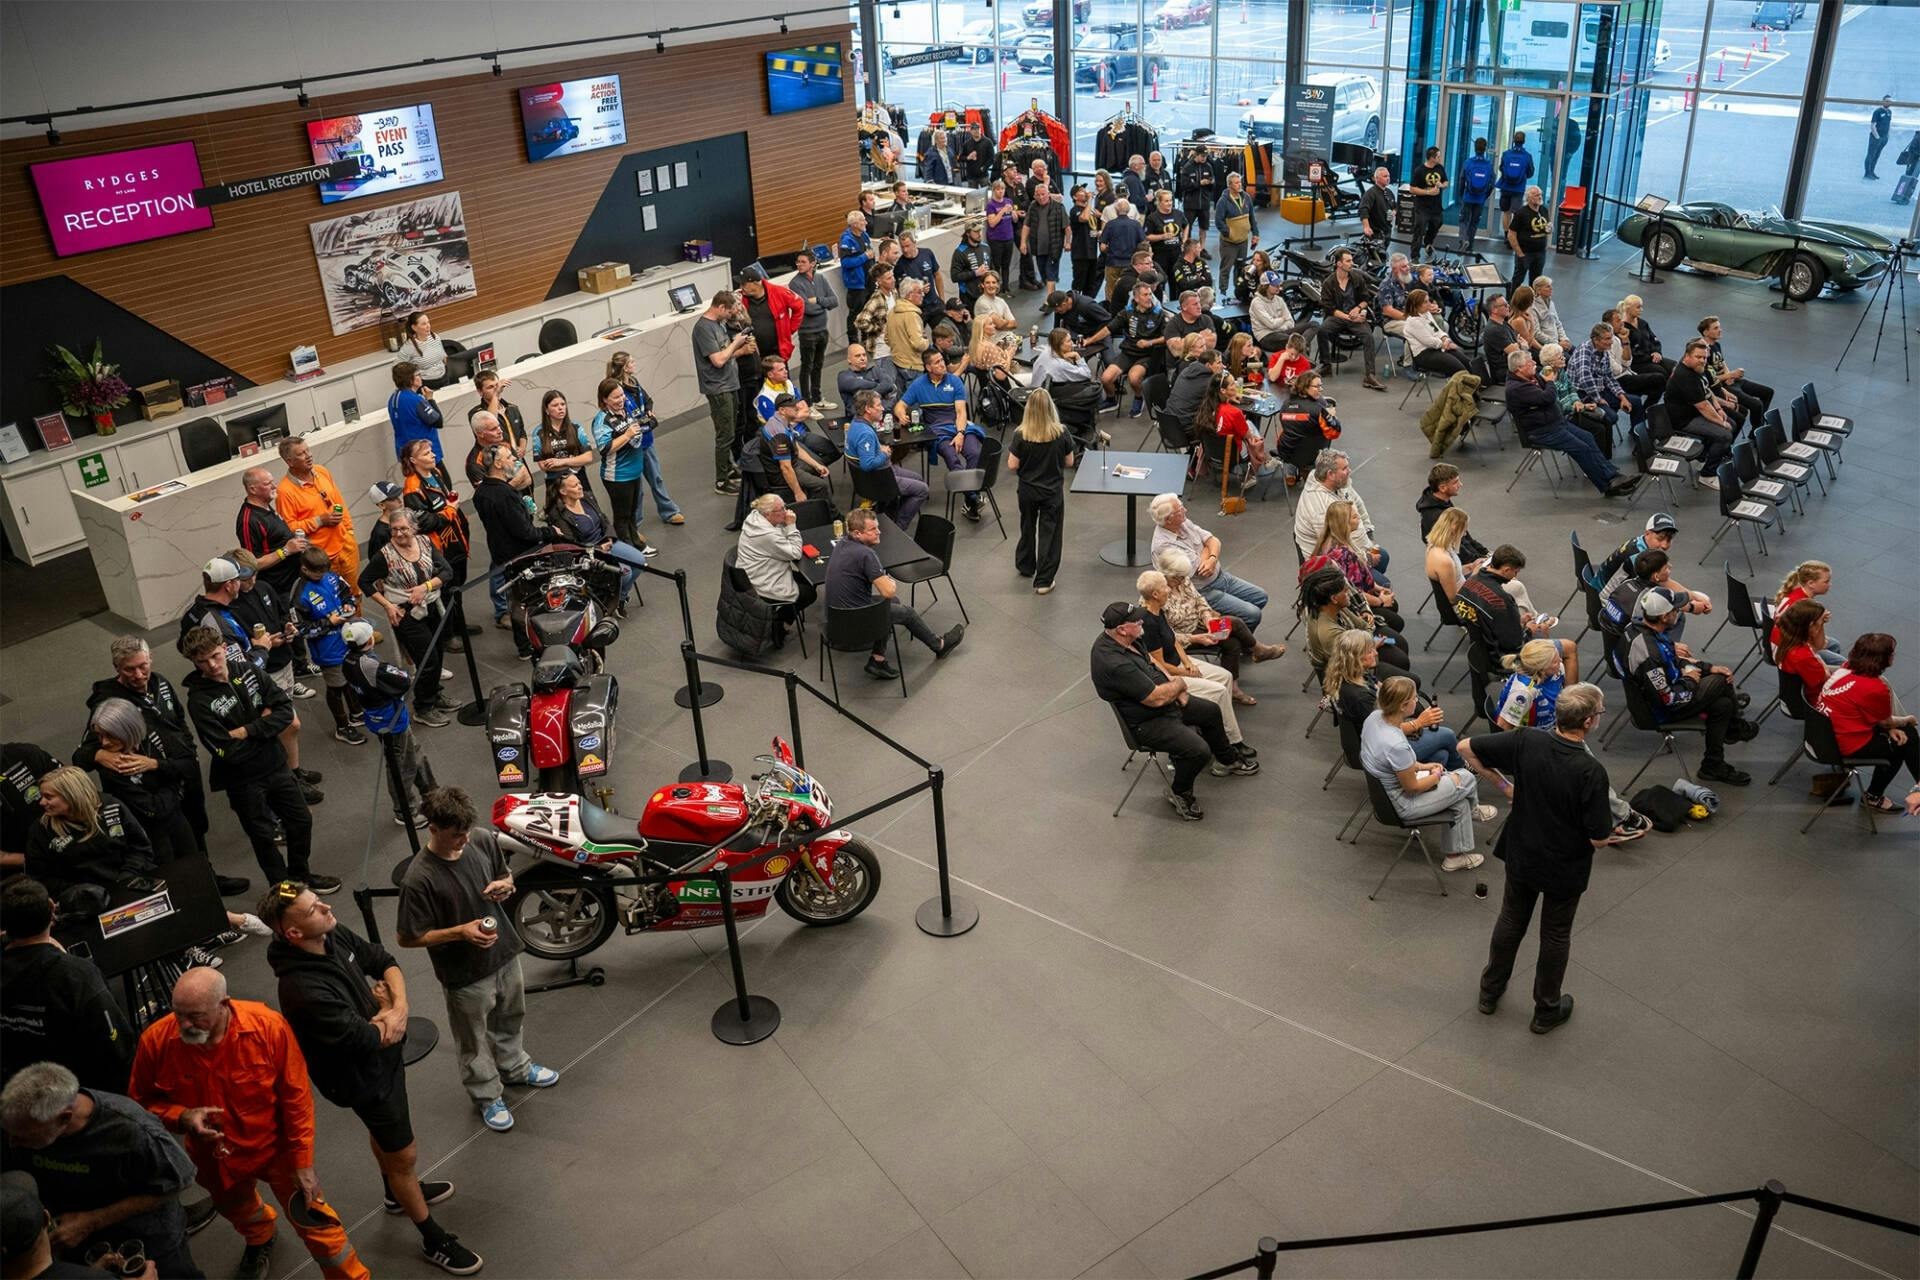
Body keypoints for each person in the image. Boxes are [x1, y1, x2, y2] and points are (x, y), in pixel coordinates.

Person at [257, 885, 481, 1275]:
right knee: (404, 1154)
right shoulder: (303, 990)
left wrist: (397, 1007)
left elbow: (384, 960)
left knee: (395, 1153)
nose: (326, 907)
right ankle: (433, 1239)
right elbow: (366, 1039)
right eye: (313, 909)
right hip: (362, 1079)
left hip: (380, 1059)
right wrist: (388, 1016)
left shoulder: (329, 932)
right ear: (292, 932)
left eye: (318, 900)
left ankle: (396, 1192)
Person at [130, 968, 368, 1280]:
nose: (184, 1025)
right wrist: (181, 1117)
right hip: (212, 1154)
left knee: (317, 1223)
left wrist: (303, 1163)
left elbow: (296, 1100)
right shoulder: (157, 1041)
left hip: (275, 1148)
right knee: (235, 1208)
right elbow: (139, 1103)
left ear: (224, 1004)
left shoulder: (268, 1028)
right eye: (178, 1014)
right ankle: (260, 1236)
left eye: (196, 1016)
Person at [397, 787, 559, 1134]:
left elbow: (505, 875)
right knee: (473, 1038)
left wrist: (506, 885)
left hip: (504, 954)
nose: (464, 840)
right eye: (456, 835)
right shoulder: (419, 879)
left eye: (466, 832)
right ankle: (487, 1095)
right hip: (464, 973)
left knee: (511, 1015)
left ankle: (515, 1067)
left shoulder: (481, 839)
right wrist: (460, 932)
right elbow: (408, 937)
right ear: (434, 829)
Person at [1461, 681, 1612, 1034]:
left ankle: (1489, 993)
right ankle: (1546, 1010)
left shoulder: (1528, 740)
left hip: (1523, 850)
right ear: (1588, 722)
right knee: (1556, 935)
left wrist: (1505, 787)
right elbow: (1600, 838)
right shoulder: (1590, 771)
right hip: (1564, 864)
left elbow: (1466, 747)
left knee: (1511, 920)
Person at [0, 1063, 200, 1278]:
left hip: (146, 1241)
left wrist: (91, 1221)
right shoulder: (24, 1122)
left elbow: (179, 1180)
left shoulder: (133, 1129)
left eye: (22, 1137)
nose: (12, 1143)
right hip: (81, 1242)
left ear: (64, 1118)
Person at [181, 625, 338, 897]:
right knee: (263, 837)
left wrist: (247, 731)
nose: (212, 665)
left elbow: (284, 710)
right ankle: (284, 892)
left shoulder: (249, 671)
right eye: (202, 662)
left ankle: (301, 875)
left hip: (277, 765)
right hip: (243, 781)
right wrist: (265, 724)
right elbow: (227, 750)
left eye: (216, 656)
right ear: (194, 663)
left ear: (223, 649)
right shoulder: (198, 701)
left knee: (301, 820)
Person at [1090, 602, 1249, 822]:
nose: (1141, 621)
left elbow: (1152, 660)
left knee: (1210, 711)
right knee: (1199, 751)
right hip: (1146, 721)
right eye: (1136, 621)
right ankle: (1179, 792)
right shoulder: (1114, 662)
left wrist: (1172, 680)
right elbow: (1155, 699)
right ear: (1122, 629)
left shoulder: (1131, 639)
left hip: (1165, 701)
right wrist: (1180, 686)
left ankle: (1226, 760)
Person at [79, 636, 224, 877]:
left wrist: (189, 748)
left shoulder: (160, 683)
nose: (138, 674)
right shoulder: (109, 703)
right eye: (129, 669)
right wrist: (99, 754)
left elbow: (178, 719)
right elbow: (82, 753)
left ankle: (208, 876)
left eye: (142, 665)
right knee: (166, 847)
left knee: (196, 826)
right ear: (117, 668)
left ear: (150, 659)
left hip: (182, 768)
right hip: (155, 787)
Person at [0, 879, 135, 1092]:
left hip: (18, 1089)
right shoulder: (77, 976)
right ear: (52, 908)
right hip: (81, 1091)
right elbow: (117, 1046)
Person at [1624, 588, 1756, 785]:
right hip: (1657, 710)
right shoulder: (1650, 654)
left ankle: (1713, 764)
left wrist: (1707, 667)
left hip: (1666, 688)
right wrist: (1691, 680)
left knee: (1723, 706)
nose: (1679, 611)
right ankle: (1735, 727)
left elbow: (1674, 658)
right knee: (1720, 681)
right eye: (1675, 609)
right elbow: (1667, 699)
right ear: (1664, 616)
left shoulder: (1642, 629)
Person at [1360, 676, 1490, 871]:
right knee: (1466, 777)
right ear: (1404, 705)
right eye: (1414, 698)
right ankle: (1473, 809)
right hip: (1402, 804)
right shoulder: (1396, 745)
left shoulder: (1375, 717)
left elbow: (1396, 761)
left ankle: (1454, 856)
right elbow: (1411, 788)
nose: (1417, 702)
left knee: (1458, 798)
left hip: (1383, 794)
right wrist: (1436, 775)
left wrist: (1423, 767)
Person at [824, 508, 963, 677]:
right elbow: (888, 590)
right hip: (854, 626)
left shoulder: (842, 544)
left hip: (835, 622)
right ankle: (939, 645)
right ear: (858, 533)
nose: (879, 531)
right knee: (907, 612)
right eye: (873, 529)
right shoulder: (866, 554)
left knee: (892, 603)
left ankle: (877, 660)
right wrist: (888, 580)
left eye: (877, 527)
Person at [1136, 570, 1262, 750]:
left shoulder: (1158, 611)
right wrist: (1185, 671)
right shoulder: (1147, 623)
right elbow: (1160, 666)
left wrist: (1188, 662)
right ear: (1155, 594)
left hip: (1180, 665)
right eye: (1165, 587)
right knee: (1218, 691)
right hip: (1170, 675)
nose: (1169, 590)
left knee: (1225, 676)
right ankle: (1232, 741)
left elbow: (1173, 640)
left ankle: (1219, 728)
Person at [1505, 351, 1640, 496]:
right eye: (1530, 363)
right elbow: (1549, 397)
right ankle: (1608, 483)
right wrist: (1550, 382)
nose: (1534, 364)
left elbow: (1546, 397)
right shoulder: (1516, 388)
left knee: (1588, 437)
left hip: (1556, 422)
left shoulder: (1531, 377)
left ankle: (1613, 478)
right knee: (1581, 448)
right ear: (1519, 368)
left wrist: (1547, 390)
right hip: (1541, 431)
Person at [1326, 630, 1460, 768]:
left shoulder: (1353, 676)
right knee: (1447, 735)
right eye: (1370, 651)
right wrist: (1419, 722)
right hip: (1378, 750)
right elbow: (1385, 732)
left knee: (1441, 756)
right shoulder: (1361, 697)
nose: (1376, 653)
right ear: (1356, 657)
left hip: (1374, 740)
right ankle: (1463, 772)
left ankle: (1438, 781)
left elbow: (1382, 690)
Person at [1818, 634, 1919, 814]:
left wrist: (1890, 729)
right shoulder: (1875, 688)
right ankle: (1874, 796)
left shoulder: (1844, 669)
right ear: (1885, 659)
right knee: (1906, 738)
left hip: (1823, 737)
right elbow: (1886, 722)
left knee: (1899, 736)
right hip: (1845, 746)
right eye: (1892, 653)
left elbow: (1874, 717)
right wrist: (1906, 719)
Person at [471, 444, 548, 658]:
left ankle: (524, 647)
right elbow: (525, 532)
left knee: (516, 602)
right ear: (497, 463)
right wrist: (549, 532)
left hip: (502, 554)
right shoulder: (504, 494)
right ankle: (530, 645)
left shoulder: (482, 492)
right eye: (508, 457)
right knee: (528, 603)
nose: (514, 459)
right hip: (520, 556)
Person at [1148, 494, 1269, 628]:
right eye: (1180, 510)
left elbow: (1213, 540)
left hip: (1220, 576)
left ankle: (1227, 627)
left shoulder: (1182, 522)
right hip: (1202, 590)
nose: (1185, 511)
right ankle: (1236, 642)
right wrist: (1208, 549)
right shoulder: (1163, 546)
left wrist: (1211, 558)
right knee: (1253, 614)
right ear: (1168, 519)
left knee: (1260, 597)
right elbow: (1200, 569)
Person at [1455, 545, 1576, 678]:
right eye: (1515, 572)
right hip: (1502, 659)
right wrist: (1529, 630)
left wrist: (1516, 622)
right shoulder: (1502, 600)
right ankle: (1567, 697)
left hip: (1479, 650)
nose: (1515, 576)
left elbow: (1487, 621)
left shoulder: (1471, 582)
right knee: (1569, 647)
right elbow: (1514, 644)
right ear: (1506, 570)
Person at [897, 350, 986, 519]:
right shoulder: (918, 385)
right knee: (952, 458)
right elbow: (899, 405)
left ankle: (970, 499)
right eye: (937, 362)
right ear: (928, 367)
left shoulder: (954, 381)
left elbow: (961, 412)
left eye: (942, 360)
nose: (942, 364)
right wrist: (901, 413)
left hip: (959, 425)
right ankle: (973, 498)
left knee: (975, 453)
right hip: (937, 431)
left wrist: (960, 433)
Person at [1005, 390, 1075, 595]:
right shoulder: (1061, 433)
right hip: (1051, 492)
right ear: (1050, 408)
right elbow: (1070, 461)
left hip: (1027, 491)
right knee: (1050, 534)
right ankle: (1044, 580)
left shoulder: (1021, 434)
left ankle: (1026, 565)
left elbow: (1011, 465)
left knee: (1027, 526)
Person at [273, 438, 357, 601]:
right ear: (289, 461)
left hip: (345, 546)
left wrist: (349, 530)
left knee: (353, 595)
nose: (308, 456)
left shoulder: (321, 472)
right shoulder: (285, 492)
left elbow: (339, 502)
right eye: (301, 454)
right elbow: (290, 528)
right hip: (321, 556)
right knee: (332, 600)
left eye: (307, 450)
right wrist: (319, 520)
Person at [605, 354, 681, 528]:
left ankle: (669, 511)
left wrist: (648, 412)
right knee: (636, 489)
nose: (634, 364)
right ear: (624, 366)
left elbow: (647, 401)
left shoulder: (633, 382)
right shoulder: (616, 390)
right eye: (631, 361)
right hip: (631, 445)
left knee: (656, 478)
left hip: (646, 440)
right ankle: (635, 524)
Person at [733, 492, 816, 649]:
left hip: (752, 574)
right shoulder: (767, 535)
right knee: (809, 593)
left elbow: (780, 536)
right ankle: (780, 625)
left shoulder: (755, 518)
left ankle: (779, 620)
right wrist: (791, 526)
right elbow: (795, 552)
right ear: (768, 514)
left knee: (805, 581)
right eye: (781, 509)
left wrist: (784, 527)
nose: (786, 511)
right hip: (763, 582)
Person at [694, 292, 753, 496]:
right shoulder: (703, 329)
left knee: (733, 428)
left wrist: (740, 350)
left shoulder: (718, 324)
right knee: (725, 434)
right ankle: (721, 481)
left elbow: (725, 354)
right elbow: (718, 360)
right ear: (720, 307)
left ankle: (729, 469)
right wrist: (736, 343)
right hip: (718, 388)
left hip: (730, 383)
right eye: (729, 312)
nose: (730, 316)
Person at [843, 389, 930, 526]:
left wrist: (879, 449)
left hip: (876, 474)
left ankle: (890, 514)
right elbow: (867, 464)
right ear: (868, 409)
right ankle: (899, 525)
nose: (883, 408)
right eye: (878, 405)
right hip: (879, 479)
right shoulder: (865, 433)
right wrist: (884, 453)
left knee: (918, 479)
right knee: (922, 489)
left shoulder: (855, 423)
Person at [1292, 449, 1387, 576]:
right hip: (1334, 564)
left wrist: (1369, 535)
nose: (1350, 471)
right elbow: (1336, 550)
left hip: (1357, 550)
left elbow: (1358, 505)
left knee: (1383, 557)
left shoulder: (1340, 483)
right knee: (1384, 585)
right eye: (1345, 468)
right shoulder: (1321, 508)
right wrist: (1367, 560)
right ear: (1330, 474)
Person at [1311, 502, 1401, 632]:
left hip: (1356, 594)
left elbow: (1359, 574)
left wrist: (1377, 587)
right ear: (1344, 524)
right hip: (1352, 607)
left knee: (1392, 604)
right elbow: (1352, 592)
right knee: (1396, 620)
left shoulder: (1334, 539)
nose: (1358, 517)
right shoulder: (1341, 554)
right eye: (1354, 517)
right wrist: (1380, 601)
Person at [589, 377, 650, 548]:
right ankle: (628, 552)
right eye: (616, 397)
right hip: (617, 476)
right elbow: (605, 448)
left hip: (634, 471)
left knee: (632, 513)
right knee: (622, 517)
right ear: (604, 400)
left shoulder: (626, 410)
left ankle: (638, 545)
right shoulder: (602, 420)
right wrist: (627, 435)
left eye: (622, 395)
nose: (621, 399)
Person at [1664, 338, 1737, 481]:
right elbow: (1703, 406)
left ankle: (1702, 458)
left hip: (1695, 412)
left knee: (1732, 424)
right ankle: (1707, 475)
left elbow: (1707, 391)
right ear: (1686, 357)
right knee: (1725, 435)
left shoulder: (1697, 368)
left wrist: (1719, 410)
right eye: (1698, 357)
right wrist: (1721, 423)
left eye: (1704, 357)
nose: (1702, 360)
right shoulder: (1684, 375)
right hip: (1684, 420)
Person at [234, 468, 308, 600]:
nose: (274, 486)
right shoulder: (249, 520)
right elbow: (253, 563)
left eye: (273, 482)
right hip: (280, 591)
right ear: (253, 489)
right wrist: (286, 551)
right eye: (268, 484)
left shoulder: (266, 506)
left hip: (296, 581)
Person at [1316, 250, 1383, 391]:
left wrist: (1358, 308)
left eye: (1351, 260)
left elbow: (1366, 299)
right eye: (1348, 261)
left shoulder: (1356, 278)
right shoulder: (1329, 282)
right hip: (1338, 316)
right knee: (1322, 330)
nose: (1351, 263)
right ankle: (1326, 365)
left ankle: (1370, 375)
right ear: (1339, 264)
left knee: (1368, 337)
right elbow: (1329, 309)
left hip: (1355, 316)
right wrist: (1349, 317)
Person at [1567, 321, 1644, 436]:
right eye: (1607, 339)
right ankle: (1600, 446)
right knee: (1611, 417)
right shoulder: (1584, 352)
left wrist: (1621, 396)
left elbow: (1609, 378)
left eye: (1611, 338)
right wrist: (1599, 400)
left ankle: (1639, 437)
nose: (1611, 342)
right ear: (1596, 340)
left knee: (1636, 402)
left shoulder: (1604, 352)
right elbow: (1585, 380)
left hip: (1599, 389)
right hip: (1583, 394)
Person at [1697, 315, 1773, 428]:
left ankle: (1759, 425)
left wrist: (1730, 376)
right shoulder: (1703, 352)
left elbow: (1722, 363)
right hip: (1720, 386)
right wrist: (1730, 375)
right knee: (1756, 405)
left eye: (1719, 327)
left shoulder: (1716, 345)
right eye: (1716, 328)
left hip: (1729, 381)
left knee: (1768, 392)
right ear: (1706, 332)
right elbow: (1709, 379)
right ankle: (1757, 432)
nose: (1720, 330)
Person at [1103, 283, 1167, 412]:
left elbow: (1166, 337)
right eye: (1145, 295)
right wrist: (1089, 341)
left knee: (1134, 378)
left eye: (1150, 294)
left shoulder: (1159, 314)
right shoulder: (1127, 312)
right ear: (1137, 298)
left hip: (1147, 355)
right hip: (1128, 353)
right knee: (1106, 378)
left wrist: (1149, 342)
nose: (1149, 297)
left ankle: (1139, 398)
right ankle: (1111, 400)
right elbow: (1108, 329)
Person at [786, 250, 838, 406]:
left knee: (818, 365)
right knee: (806, 367)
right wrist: (822, 305)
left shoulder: (820, 278)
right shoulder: (795, 283)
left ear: (812, 263)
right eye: (798, 262)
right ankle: (807, 402)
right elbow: (806, 309)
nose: (799, 265)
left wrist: (818, 300)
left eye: (802, 262)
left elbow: (834, 301)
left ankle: (817, 398)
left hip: (823, 330)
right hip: (807, 333)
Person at [1769, 560, 1845, 663]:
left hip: (1781, 640)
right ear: (1811, 583)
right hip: (1787, 649)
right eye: (1826, 582)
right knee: (1842, 662)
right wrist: (1821, 621)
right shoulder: (1804, 609)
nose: (1829, 585)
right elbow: (1819, 644)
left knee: (1834, 644)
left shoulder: (1796, 593)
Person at [1417, 465, 1491, 564]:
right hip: (1458, 564)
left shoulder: (1443, 501)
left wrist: (1484, 552)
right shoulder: (1437, 516)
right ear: (1442, 488)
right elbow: (1456, 548)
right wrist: (1479, 560)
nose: (1460, 484)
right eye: (1455, 482)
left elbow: (1464, 536)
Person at [1402, 289, 1471, 377]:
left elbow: (1437, 331)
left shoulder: (1426, 313)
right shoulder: (1413, 321)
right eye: (1425, 302)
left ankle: (1480, 385)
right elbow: (1428, 341)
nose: (1429, 304)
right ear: (1417, 305)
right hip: (1424, 355)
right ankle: (1468, 387)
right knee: (1460, 370)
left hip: (1436, 348)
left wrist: (1445, 339)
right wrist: (1444, 344)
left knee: (1467, 362)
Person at [1020, 182, 1068, 292]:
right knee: (1043, 272)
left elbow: (1067, 227)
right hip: (1038, 247)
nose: (1041, 197)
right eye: (1038, 195)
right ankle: (1053, 293)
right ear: (1035, 196)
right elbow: (1026, 225)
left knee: (1050, 272)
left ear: (1048, 194)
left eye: (1043, 194)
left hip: (1054, 246)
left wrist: (1068, 242)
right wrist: (1023, 242)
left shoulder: (1058, 207)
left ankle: (1049, 300)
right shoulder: (1033, 206)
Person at [1213, 172, 1257, 291]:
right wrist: (1229, 233)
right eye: (1236, 183)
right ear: (1230, 185)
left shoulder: (1246, 197)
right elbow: (1218, 222)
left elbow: (1252, 217)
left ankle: (1239, 291)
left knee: (1241, 268)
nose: (1239, 185)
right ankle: (1223, 292)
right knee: (1226, 269)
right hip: (1229, 243)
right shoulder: (1223, 201)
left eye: (1240, 182)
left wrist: (1255, 233)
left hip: (1243, 241)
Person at [1505, 185, 1551, 293]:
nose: (1540, 197)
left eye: (1540, 195)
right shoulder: (1521, 213)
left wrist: (1549, 229)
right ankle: (1511, 302)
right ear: (1529, 198)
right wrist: (1520, 253)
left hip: (1540, 253)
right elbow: (1511, 235)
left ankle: (1533, 303)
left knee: (1536, 281)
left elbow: (1545, 228)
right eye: (1536, 195)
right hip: (1525, 253)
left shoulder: (1544, 210)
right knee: (1518, 279)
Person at [837, 210, 873, 346]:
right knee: (855, 315)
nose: (866, 222)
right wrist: (864, 257)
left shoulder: (864, 235)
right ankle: (853, 342)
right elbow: (846, 263)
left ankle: (866, 338)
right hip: (856, 285)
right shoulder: (846, 240)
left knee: (868, 312)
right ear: (855, 224)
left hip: (868, 281)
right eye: (863, 220)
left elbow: (871, 254)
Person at [837, 343, 900, 416]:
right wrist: (878, 385)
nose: (862, 358)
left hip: (882, 413)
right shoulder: (844, 376)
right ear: (849, 359)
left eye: (864, 355)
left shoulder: (875, 370)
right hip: (859, 418)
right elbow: (855, 384)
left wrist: (866, 395)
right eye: (858, 356)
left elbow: (888, 384)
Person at [1407, 146, 1447, 260]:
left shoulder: (1440, 168)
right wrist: (1428, 192)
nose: (1440, 158)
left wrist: (1441, 185)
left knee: (1437, 224)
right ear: (1432, 158)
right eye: (1438, 156)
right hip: (1422, 207)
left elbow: (1446, 182)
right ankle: (1414, 255)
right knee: (1419, 230)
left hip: (1436, 207)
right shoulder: (1419, 171)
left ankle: (1428, 243)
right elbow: (1412, 189)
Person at [1457, 136, 1495, 253]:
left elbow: (1462, 179)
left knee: (1464, 220)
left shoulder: (1468, 162)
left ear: (1475, 148)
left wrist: (1461, 194)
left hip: (1468, 197)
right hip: (1480, 199)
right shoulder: (1488, 164)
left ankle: (1463, 240)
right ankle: (1470, 246)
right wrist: (1485, 196)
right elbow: (1492, 183)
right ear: (1485, 149)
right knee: (1474, 222)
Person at [398, 311, 450, 384]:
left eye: (428, 322)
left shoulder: (435, 337)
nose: (428, 326)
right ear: (414, 327)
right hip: (426, 384)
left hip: (444, 378)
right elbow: (397, 368)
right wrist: (414, 377)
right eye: (424, 324)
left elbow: (444, 357)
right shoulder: (409, 347)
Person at [984, 180, 1019, 288]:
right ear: (994, 191)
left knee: (1006, 264)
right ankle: (995, 287)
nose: (1001, 192)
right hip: (996, 239)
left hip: (1008, 237)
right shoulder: (991, 205)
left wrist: (1013, 213)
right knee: (996, 265)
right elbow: (992, 223)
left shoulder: (1008, 201)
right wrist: (1003, 211)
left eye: (1002, 189)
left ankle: (1006, 287)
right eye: (998, 189)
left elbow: (1015, 220)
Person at [1495, 131, 1534, 218]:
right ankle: (1512, 231)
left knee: (1506, 212)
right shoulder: (1527, 156)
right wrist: (1521, 177)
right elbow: (1531, 172)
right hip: (1518, 188)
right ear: (1524, 141)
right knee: (1516, 214)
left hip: (1505, 186)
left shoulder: (1506, 154)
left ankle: (1506, 231)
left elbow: (1501, 168)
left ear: (1513, 140)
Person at [1358, 167, 1395, 249]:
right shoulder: (1370, 194)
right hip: (1375, 233)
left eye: (1388, 176)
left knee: (1384, 255)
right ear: (1376, 178)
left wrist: (1394, 212)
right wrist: (1366, 227)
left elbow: (1394, 206)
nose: (1388, 178)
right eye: (1385, 176)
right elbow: (1363, 210)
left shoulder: (1389, 192)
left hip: (1387, 230)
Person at [1865, 94, 1893, 179]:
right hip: (1876, 137)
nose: (1889, 103)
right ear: (1883, 101)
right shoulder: (1877, 112)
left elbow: (1888, 124)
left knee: (1877, 155)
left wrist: (1887, 135)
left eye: (1890, 102)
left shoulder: (1889, 112)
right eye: (1887, 101)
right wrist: (1877, 137)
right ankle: (1867, 173)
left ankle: (1872, 171)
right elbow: (1873, 125)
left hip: (1884, 138)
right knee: (1871, 155)